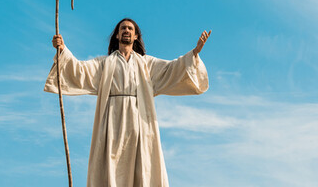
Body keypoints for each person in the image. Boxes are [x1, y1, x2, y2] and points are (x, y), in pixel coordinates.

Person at [44, 18, 211, 187]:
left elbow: (172, 69)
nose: (126, 30)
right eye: (123, 28)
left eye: (130, 28)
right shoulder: (104, 63)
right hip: (112, 123)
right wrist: (63, 50)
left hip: (139, 123)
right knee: (112, 167)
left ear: (136, 36)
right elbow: (80, 71)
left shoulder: (146, 63)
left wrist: (194, 53)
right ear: (117, 35)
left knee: (142, 168)